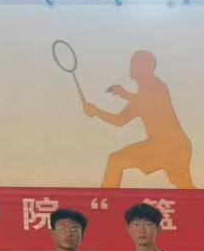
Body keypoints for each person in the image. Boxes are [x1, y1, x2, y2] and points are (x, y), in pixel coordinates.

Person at [83, 51, 194, 189]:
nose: (132, 67)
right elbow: (121, 118)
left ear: (148, 67)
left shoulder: (155, 85)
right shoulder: (145, 92)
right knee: (186, 188)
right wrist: (97, 111)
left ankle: (107, 199)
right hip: (175, 146)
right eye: (133, 64)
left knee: (115, 160)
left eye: (136, 64)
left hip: (168, 145)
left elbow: (144, 102)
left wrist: (123, 95)